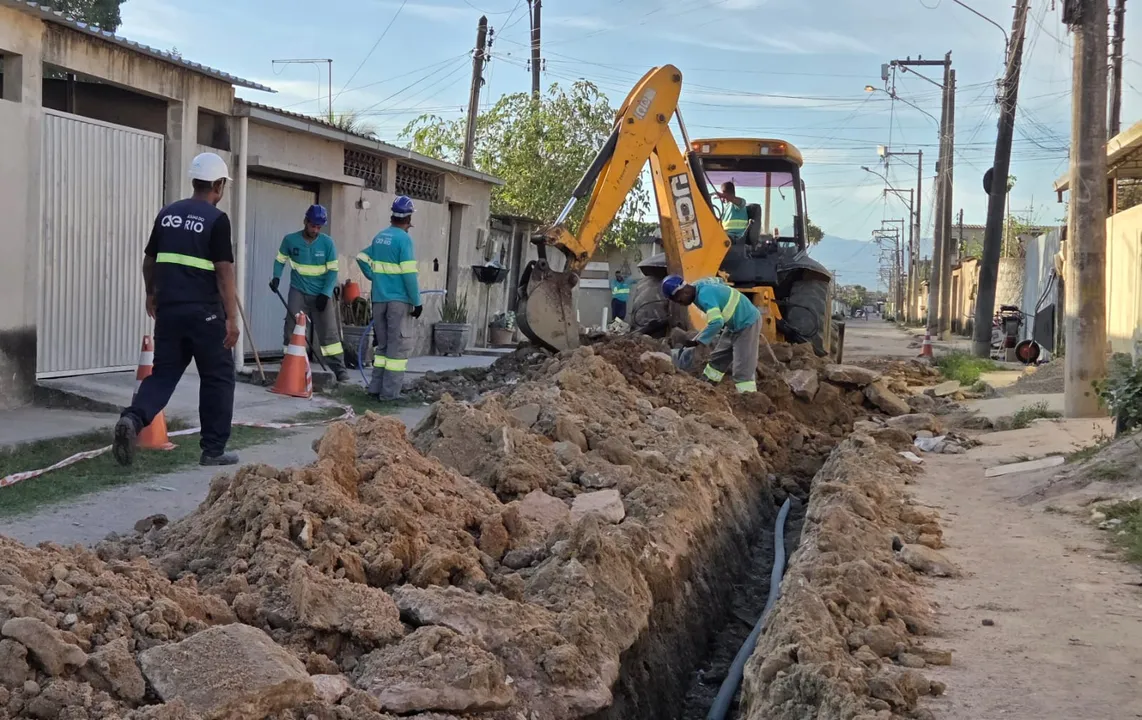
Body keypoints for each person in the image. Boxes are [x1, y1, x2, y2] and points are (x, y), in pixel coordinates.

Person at [113, 152, 240, 466]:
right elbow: (224, 272)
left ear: (194, 180)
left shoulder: (167, 213)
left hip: (169, 311)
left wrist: (150, 293)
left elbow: (149, 261)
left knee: (163, 375)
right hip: (206, 315)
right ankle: (213, 450)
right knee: (217, 378)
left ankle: (133, 418)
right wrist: (232, 318)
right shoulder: (216, 220)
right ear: (219, 185)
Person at [270, 204, 349, 382]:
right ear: (305, 221)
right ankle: (290, 365)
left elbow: (332, 271)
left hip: (321, 293)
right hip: (298, 290)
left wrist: (326, 293)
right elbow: (280, 260)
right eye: (312, 225)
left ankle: (340, 370)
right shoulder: (290, 240)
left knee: (329, 333)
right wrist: (276, 277)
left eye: (318, 227)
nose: (315, 230)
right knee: (292, 328)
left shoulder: (328, 243)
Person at [356, 196, 422, 400]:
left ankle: (375, 388)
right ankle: (390, 394)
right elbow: (409, 275)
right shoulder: (404, 240)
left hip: (379, 299)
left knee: (382, 346)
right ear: (408, 218)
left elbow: (361, 257)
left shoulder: (380, 237)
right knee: (396, 348)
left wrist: (373, 276)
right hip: (398, 301)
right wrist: (417, 302)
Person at [661, 274, 760, 394]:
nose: (680, 303)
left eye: (679, 300)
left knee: (742, 368)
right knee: (718, 358)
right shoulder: (697, 285)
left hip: (747, 323)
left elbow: (717, 322)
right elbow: (719, 280)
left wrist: (700, 341)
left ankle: (748, 396)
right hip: (733, 325)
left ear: (684, 291)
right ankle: (706, 385)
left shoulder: (703, 296)